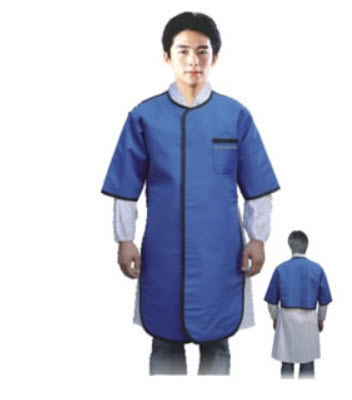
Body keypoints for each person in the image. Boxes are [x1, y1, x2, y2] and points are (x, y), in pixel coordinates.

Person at [101, 11, 280, 375]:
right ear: (166, 56)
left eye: (202, 51)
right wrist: (125, 239)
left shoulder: (235, 116)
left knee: (217, 342)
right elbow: (126, 186)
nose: (193, 60)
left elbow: (258, 185)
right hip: (162, 250)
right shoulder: (144, 117)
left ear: (215, 57)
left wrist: (258, 237)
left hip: (221, 251)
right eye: (183, 51)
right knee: (164, 341)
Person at [264, 231, 332, 378]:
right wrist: (321, 319)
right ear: (307, 245)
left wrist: (275, 318)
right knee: (307, 362)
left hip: (286, 320)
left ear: (290, 246)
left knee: (286, 361)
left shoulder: (280, 269)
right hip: (309, 321)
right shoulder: (317, 269)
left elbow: (271, 301)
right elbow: (324, 301)